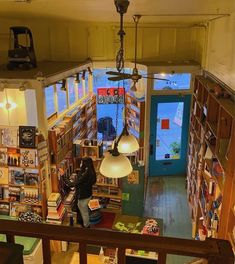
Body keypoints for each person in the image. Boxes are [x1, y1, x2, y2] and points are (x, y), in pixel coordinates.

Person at [63, 157, 96, 228]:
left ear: (85, 164)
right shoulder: (90, 171)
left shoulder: (86, 174)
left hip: (84, 196)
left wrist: (63, 176)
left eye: (81, 163)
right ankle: (84, 223)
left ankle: (86, 226)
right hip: (88, 194)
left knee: (84, 211)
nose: (80, 164)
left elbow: (72, 184)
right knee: (83, 209)